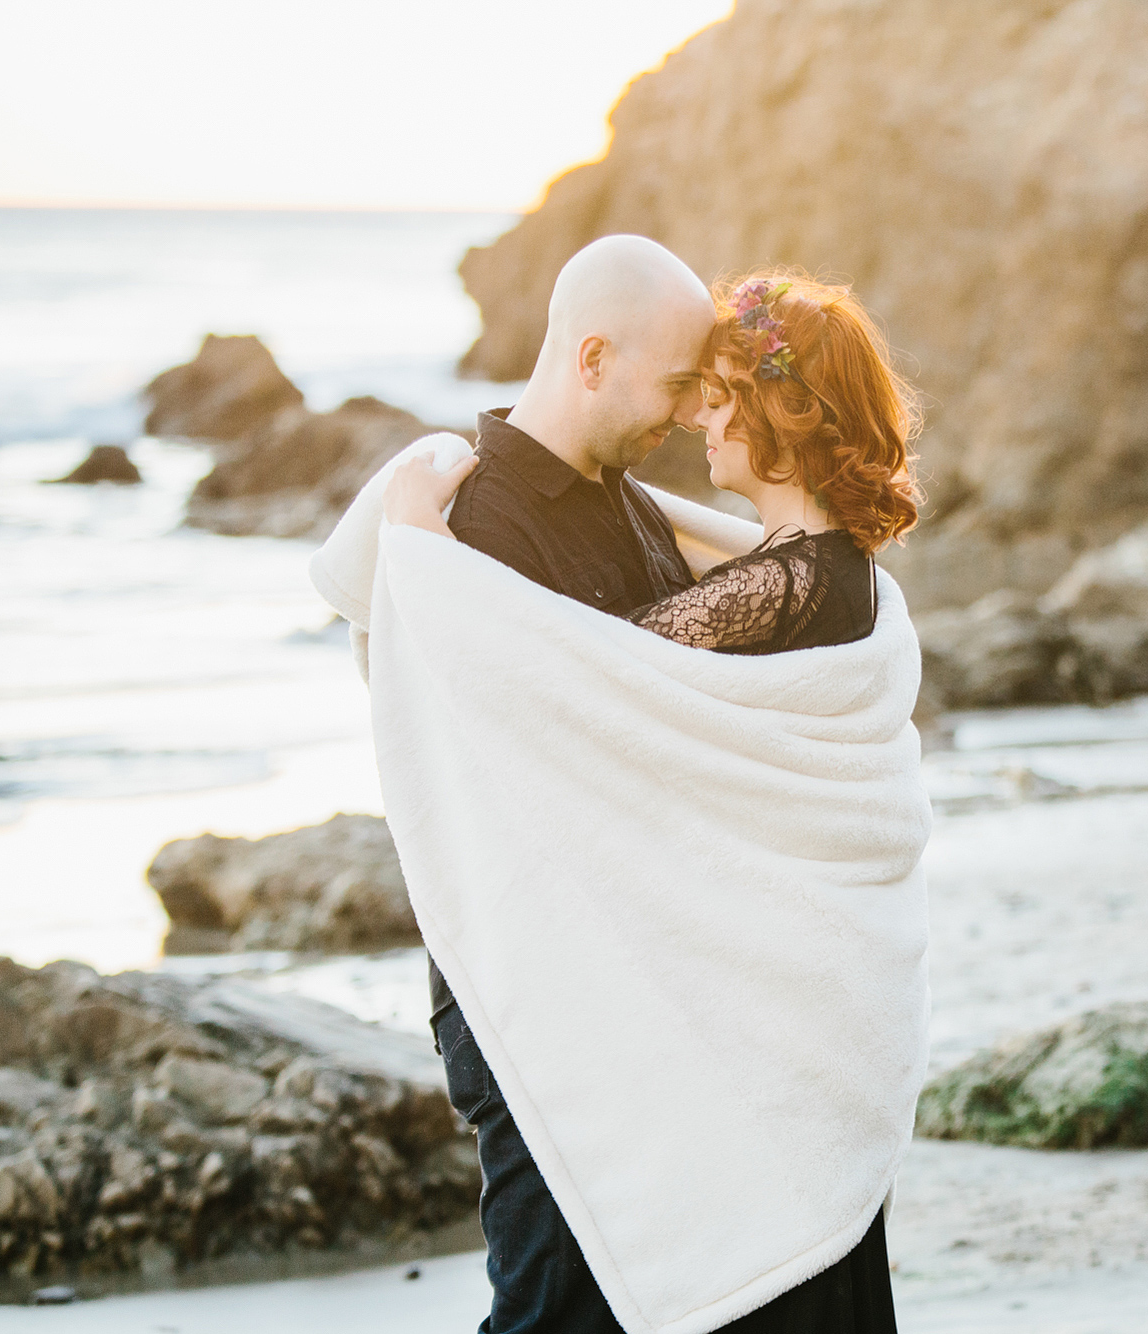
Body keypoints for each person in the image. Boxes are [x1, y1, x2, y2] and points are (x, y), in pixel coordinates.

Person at [379, 267, 923, 1334]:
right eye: (688, 385)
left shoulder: (783, 574)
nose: (695, 416)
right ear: (592, 359)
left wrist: (410, 535)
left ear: (785, 413)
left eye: (715, 392)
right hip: (562, 989)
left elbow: (586, 673)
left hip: (678, 992)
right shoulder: (760, 556)